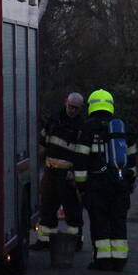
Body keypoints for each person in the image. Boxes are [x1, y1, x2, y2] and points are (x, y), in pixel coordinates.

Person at [70, 89, 136, 271]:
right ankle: (120, 260)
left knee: (100, 223)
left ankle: (103, 260)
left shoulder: (88, 128)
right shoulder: (121, 127)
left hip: (97, 186)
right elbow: (132, 158)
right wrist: (129, 183)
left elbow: (80, 159)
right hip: (120, 184)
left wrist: (81, 186)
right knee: (118, 222)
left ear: (91, 106)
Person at [34, 93, 86, 251]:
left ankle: (75, 241)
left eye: (76, 108)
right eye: (70, 106)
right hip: (50, 171)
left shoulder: (81, 127)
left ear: (80, 109)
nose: (72, 110)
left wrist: (74, 172)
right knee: (47, 208)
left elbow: (82, 154)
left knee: (72, 210)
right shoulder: (54, 120)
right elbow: (42, 142)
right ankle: (45, 240)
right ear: (65, 103)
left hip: (67, 175)